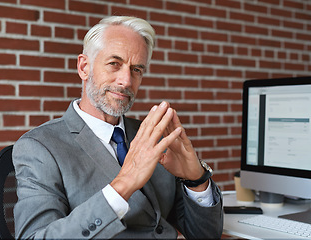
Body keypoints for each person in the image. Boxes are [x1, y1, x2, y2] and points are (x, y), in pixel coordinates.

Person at [12, 16, 223, 239]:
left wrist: (197, 181)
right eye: (114, 64)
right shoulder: (40, 148)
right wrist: (123, 185)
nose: (126, 81)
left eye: (137, 70)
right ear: (84, 67)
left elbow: (206, 235)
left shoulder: (151, 136)